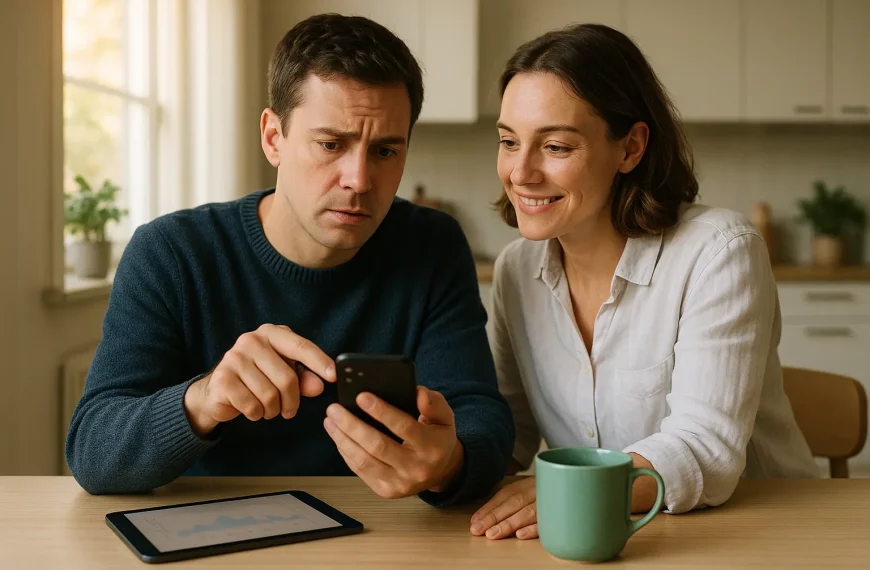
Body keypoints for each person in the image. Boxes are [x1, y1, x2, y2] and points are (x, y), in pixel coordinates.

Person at [65, 13, 514, 508]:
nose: (359, 180)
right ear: (273, 138)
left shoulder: (432, 245)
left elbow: (482, 420)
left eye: (385, 151)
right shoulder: (170, 253)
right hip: (214, 532)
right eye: (330, 144)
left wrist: (450, 463)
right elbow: (92, 452)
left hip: (379, 532)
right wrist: (204, 398)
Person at [470, 23, 818, 540]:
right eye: (508, 141)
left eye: (557, 147)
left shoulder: (718, 252)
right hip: (601, 533)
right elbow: (511, 437)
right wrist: (448, 452)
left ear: (630, 147)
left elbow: (707, 452)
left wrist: (571, 489)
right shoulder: (517, 271)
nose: (520, 172)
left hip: (760, 533)